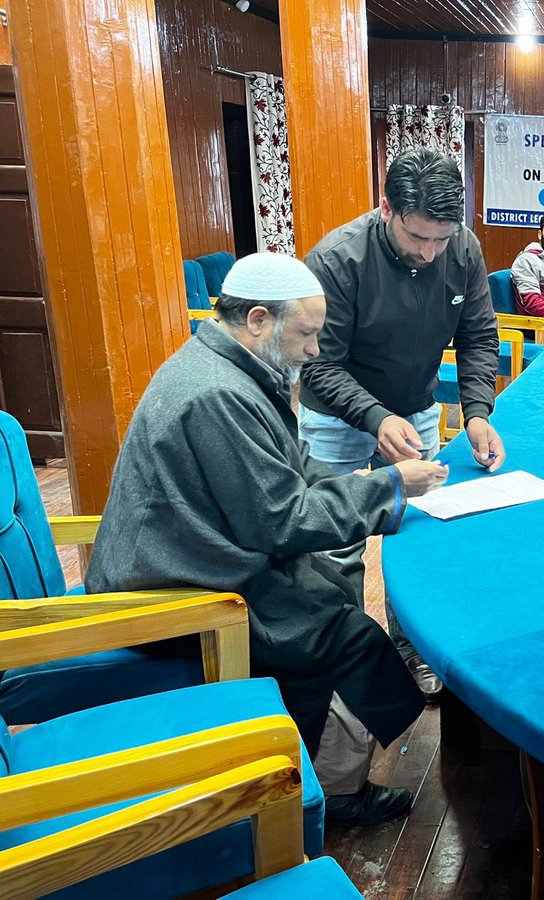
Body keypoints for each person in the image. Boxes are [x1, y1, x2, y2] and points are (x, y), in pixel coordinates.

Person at [85, 253, 449, 826]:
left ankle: (316, 772)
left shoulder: (232, 370)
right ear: (258, 319)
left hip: (197, 551)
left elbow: (297, 468)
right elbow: (281, 520)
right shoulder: (218, 394)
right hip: (177, 585)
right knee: (341, 633)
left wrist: (384, 488)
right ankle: (322, 797)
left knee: (332, 589)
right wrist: (388, 488)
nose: (313, 350)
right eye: (306, 334)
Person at [299, 148, 504, 701]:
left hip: (415, 409)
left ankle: (411, 647)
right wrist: (372, 415)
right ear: (385, 208)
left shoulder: (461, 248)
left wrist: (478, 411)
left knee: (412, 533)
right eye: (418, 238)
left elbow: (479, 336)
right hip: (337, 419)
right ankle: (337, 663)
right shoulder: (337, 261)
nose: (431, 252)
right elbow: (318, 363)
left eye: (442, 239)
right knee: (334, 544)